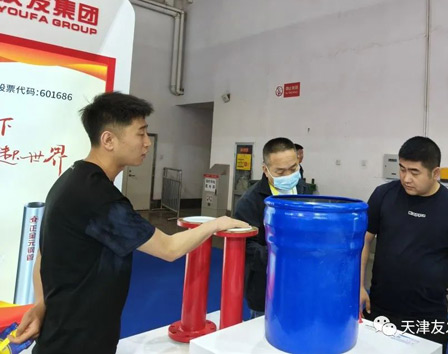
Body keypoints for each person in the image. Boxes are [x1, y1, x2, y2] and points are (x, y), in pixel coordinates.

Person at [10, 92, 248, 354]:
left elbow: (45, 253)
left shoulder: (72, 179)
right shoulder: (97, 196)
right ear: (108, 140)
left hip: (63, 330)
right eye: (140, 133)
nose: (147, 142)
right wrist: (216, 224)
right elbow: (168, 248)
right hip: (78, 340)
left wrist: (42, 304)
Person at [361, 136, 448, 353]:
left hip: (428, 318)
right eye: (402, 169)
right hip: (380, 308)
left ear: (435, 173)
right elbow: (363, 241)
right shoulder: (383, 195)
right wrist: (357, 286)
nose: (406, 178)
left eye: (415, 172)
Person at [234, 138, 309, 318]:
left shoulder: (302, 189)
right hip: (266, 288)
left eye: (293, 169)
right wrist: (282, 255)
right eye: (280, 172)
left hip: (301, 283)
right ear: (265, 170)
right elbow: (245, 248)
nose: (288, 176)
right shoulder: (250, 202)